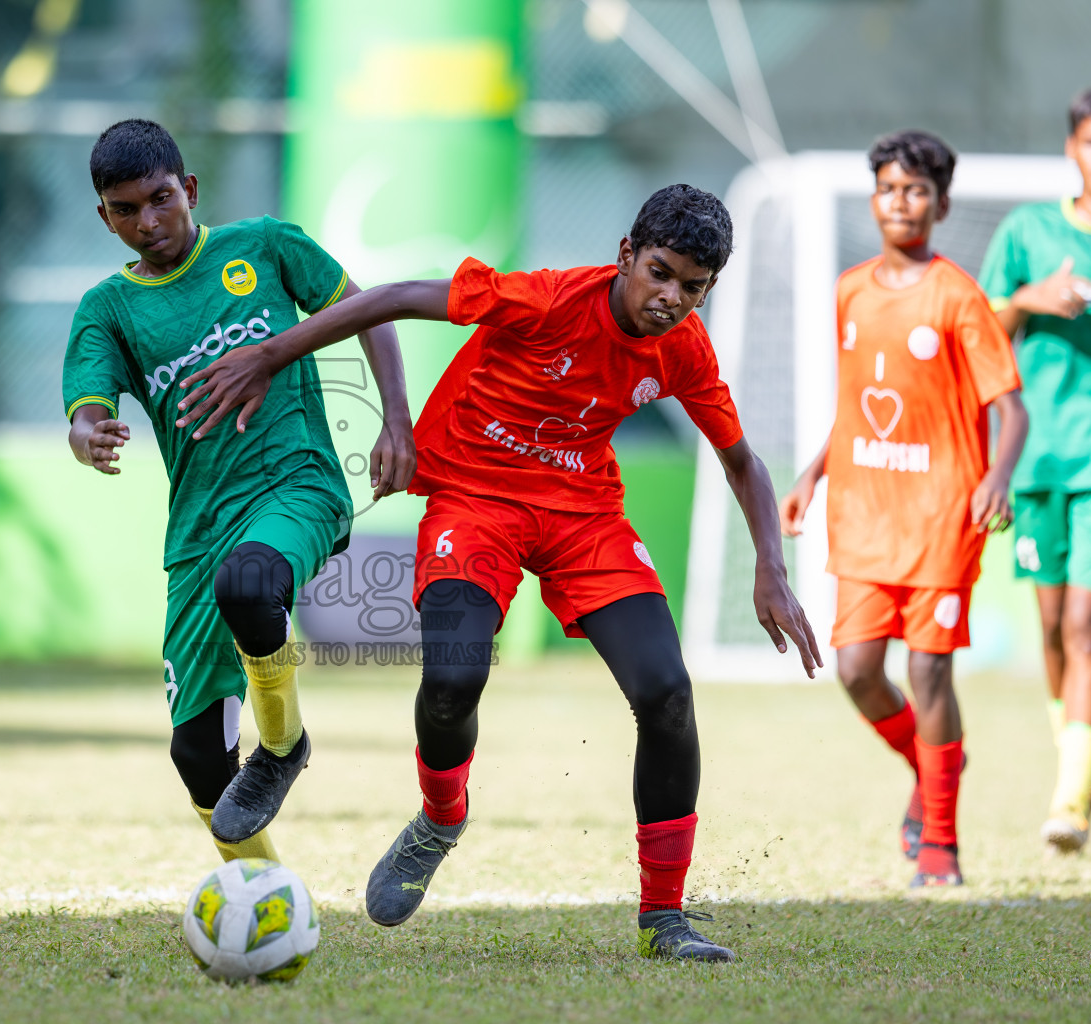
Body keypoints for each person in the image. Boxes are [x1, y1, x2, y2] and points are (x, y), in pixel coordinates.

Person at [176, 184, 821, 962]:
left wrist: (771, 570)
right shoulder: (544, 300)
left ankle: (665, 919)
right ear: (626, 256)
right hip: (474, 505)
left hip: (586, 519)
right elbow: (399, 296)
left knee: (668, 694)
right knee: (453, 679)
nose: (671, 298)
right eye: (660, 272)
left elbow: (742, 462)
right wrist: (278, 354)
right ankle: (440, 818)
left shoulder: (682, 349)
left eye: (693, 287)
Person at [63, 119, 414, 863]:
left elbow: (374, 309)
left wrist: (395, 421)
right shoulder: (108, 309)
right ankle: (262, 894)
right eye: (125, 210)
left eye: (160, 199)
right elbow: (87, 406)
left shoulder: (263, 246)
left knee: (251, 584)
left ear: (188, 189)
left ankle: (283, 744)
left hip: (298, 484)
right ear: (104, 216)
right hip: (196, 533)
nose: (148, 222)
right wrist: (88, 434)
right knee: (196, 759)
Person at [781, 131, 1028, 887]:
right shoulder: (849, 291)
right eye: (890, 188)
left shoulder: (958, 296)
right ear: (874, 199)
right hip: (862, 514)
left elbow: (1010, 408)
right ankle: (935, 767)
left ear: (941, 205)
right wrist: (813, 472)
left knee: (928, 675)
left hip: (940, 516)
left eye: (917, 190)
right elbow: (860, 406)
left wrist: (999, 477)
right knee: (856, 670)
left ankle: (941, 848)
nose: (901, 201)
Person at [979, 87, 1091, 854]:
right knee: (1053, 631)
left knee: (1086, 625)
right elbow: (979, 326)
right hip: (1036, 461)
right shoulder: (1028, 230)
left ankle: (1069, 800)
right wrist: (1031, 298)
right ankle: (1088, 764)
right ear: (1073, 148)